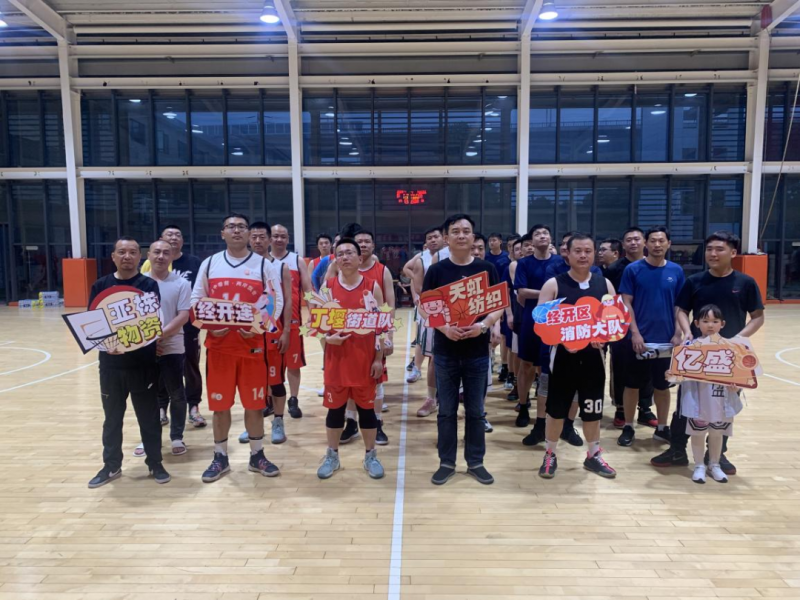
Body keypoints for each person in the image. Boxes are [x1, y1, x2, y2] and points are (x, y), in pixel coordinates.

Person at [652, 231, 764, 474]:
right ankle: (677, 449)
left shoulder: (745, 283)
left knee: (724, 406)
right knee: (687, 403)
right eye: (710, 249)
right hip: (698, 356)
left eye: (719, 249)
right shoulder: (695, 281)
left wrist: (737, 340)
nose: (713, 254)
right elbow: (682, 310)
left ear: (733, 252)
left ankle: (717, 455)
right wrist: (686, 332)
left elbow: (757, 317)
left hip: (729, 358)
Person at [191, 214, 284, 483]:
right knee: (220, 406)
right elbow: (196, 300)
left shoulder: (263, 265)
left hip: (252, 347)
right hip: (219, 347)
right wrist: (209, 326)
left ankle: (257, 455)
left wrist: (258, 327)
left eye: (242, 227)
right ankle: (220, 457)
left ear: (249, 234)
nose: (237, 231)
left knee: (254, 405)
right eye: (231, 227)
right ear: (222, 233)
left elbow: (275, 302)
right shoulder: (210, 263)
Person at [422, 214, 504, 486]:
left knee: (476, 411)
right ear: (446, 238)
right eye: (455, 231)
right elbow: (425, 307)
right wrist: (445, 328)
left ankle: (476, 462)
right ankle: (446, 462)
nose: (461, 235)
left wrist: (484, 326)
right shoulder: (436, 271)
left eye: (466, 231)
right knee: (446, 410)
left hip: (477, 352)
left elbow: (499, 305)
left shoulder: (486, 268)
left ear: (473, 237)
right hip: (445, 351)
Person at [87, 237, 170, 489]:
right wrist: (105, 344)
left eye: (133, 252)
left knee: (149, 418)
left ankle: (155, 463)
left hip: (143, 364)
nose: (127, 256)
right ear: (113, 256)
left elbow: (152, 323)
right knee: (112, 419)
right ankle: (111, 465)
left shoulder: (149, 285)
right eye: (121, 252)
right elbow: (93, 323)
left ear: (139, 257)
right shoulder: (101, 285)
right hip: (110, 366)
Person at [536, 233, 617, 480]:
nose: (583, 255)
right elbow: (540, 321)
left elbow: (613, 321)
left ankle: (593, 455)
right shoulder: (554, 284)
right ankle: (550, 454)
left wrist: (604, 338)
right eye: (578, 251)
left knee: (592, 409)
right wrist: (562, 339)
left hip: (594, 359)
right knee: (556, 410)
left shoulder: (605, 284)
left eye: (588, 251)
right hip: (562, 358)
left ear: (594, 254)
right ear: (567, 254)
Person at [316, 237, 386, 480]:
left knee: (367, 412)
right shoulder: (327, 288)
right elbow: (317, 324)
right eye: (340, 253)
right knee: (335, 411)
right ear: (335, 259)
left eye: (349, 253)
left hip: (364, 361)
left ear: (360, 258)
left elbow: (380, 327)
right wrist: (327, 339)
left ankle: (371, 455)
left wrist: (378, 359)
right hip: (336, 361)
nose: (345, 257)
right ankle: (332, 456)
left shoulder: (372, 288)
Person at [617, 226, 685, 448]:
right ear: (646, 244)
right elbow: (626, 303)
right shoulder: (633, 270)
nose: (657, 244)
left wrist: (677, 332)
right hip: (638, 340)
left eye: (661, 240)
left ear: (669, 244)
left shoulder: (676, 271)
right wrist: (635, 333)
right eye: (653, 241)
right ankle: (629, 426)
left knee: (662, 386)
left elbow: (680, 305)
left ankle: (662, 428)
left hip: (666, 340)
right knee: (632, 385)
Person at [141, 225, 206, 428]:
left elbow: (202, 291)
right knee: (160, 368)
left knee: (191, 367)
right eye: (169, 234)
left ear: (182, 241)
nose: (174, 237)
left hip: (188, 325)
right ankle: (162, 407)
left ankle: (193, 407)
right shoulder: (148, 266)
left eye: (178, 234)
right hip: (155, 329)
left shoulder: (194, 263)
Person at [134, 240, 191, 458]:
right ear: (148, 255)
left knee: (176, 393)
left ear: (172, 256)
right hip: (143, 348)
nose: (161, 256)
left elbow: (183, 315)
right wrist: (148, 341)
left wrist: (158, 337)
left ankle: (177, 436)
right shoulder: (138, 282)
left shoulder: (181, 283)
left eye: (166, 253)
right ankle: (147, 438)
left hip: (172, 346)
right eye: (156, 252)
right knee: (146, 395)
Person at [237, 222, 293, 445]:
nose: (258, 241)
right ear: (249, 239)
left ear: (269, 240)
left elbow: (287, 301)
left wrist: (286, 331)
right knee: (252, 382)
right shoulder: (242, 266)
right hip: (248, 335)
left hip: (273, 332)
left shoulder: (280, 267)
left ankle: (278, 421)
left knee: (275, 380)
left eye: (262, 237)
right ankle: (254, 423)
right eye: (254, 237)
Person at [677, 304, 744, 484]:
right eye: (705, 321)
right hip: (698, 399)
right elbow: (678, 374)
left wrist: (736, 387)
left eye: (715, 321)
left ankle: (714, 464)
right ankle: (699, 465)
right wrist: (673, 375)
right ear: (697, 323)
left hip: (721, 399)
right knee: (697, 433)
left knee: (717, 433)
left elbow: (740, 375)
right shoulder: (690, 347)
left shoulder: (731, 347)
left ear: (722, 324)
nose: (710, 325)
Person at [606, 227, 657, 429]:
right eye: (629, 240)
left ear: (644, 242)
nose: (633, 243)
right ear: (623, 244)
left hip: (649, 325)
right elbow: (608, 300)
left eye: (637, 239)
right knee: (621, 367)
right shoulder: (614, 269)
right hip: (621, 327)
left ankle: (645, 409)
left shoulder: (653, 265)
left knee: (649, 367)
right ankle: (620, 408)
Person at [513, 226, 561, 432]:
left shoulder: (560, 262)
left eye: (545, 233)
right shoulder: (524, 263)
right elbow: (522, 292)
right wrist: (549, 293)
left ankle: (548, 408)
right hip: (531, 319)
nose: (542, 236)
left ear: (551, 238)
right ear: (531, 242)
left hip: (556, 320)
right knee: (526, 365)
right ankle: (523, 405)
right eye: (537, 234)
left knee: (549, 367)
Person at [270, 224, 313, 420]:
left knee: (293, 363)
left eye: (283, 236)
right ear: (270, 238)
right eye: (275, 236)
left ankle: (293, 399)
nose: (279, 239)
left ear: (288, 239)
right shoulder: (261, 262)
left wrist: (313, 313)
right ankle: (270, 400)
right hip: (268, 322)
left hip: (292, 320)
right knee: (269, 362)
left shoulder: (297, 260)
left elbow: (308, 290)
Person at [403, 226, 446, 387]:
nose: (433, 240)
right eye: (429, 238)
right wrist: (417, 286)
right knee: (422, 339)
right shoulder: (422, 256)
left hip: (448, 306)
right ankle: (417, 368)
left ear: (443, 238)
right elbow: (407, 269)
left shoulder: (450, 255)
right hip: (427, 305)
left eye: (436, 237)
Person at [472, 233, 497, 433]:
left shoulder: (489, 269)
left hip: (481, 334)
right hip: (453, 337)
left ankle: (480, 414)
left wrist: (494, 326)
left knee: (482, 380)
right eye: (473, 248)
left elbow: (498, 303)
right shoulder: (448, 270)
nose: (477, 252)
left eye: (480, 248)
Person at [502, 236, 523, 400]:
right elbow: (507, 292)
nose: (521, 251)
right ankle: (516, 383)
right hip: (518, 314)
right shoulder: (513, 266)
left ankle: (538, 383)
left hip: (539, 315)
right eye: (517, 249)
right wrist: (509, 314)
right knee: (514, 350)